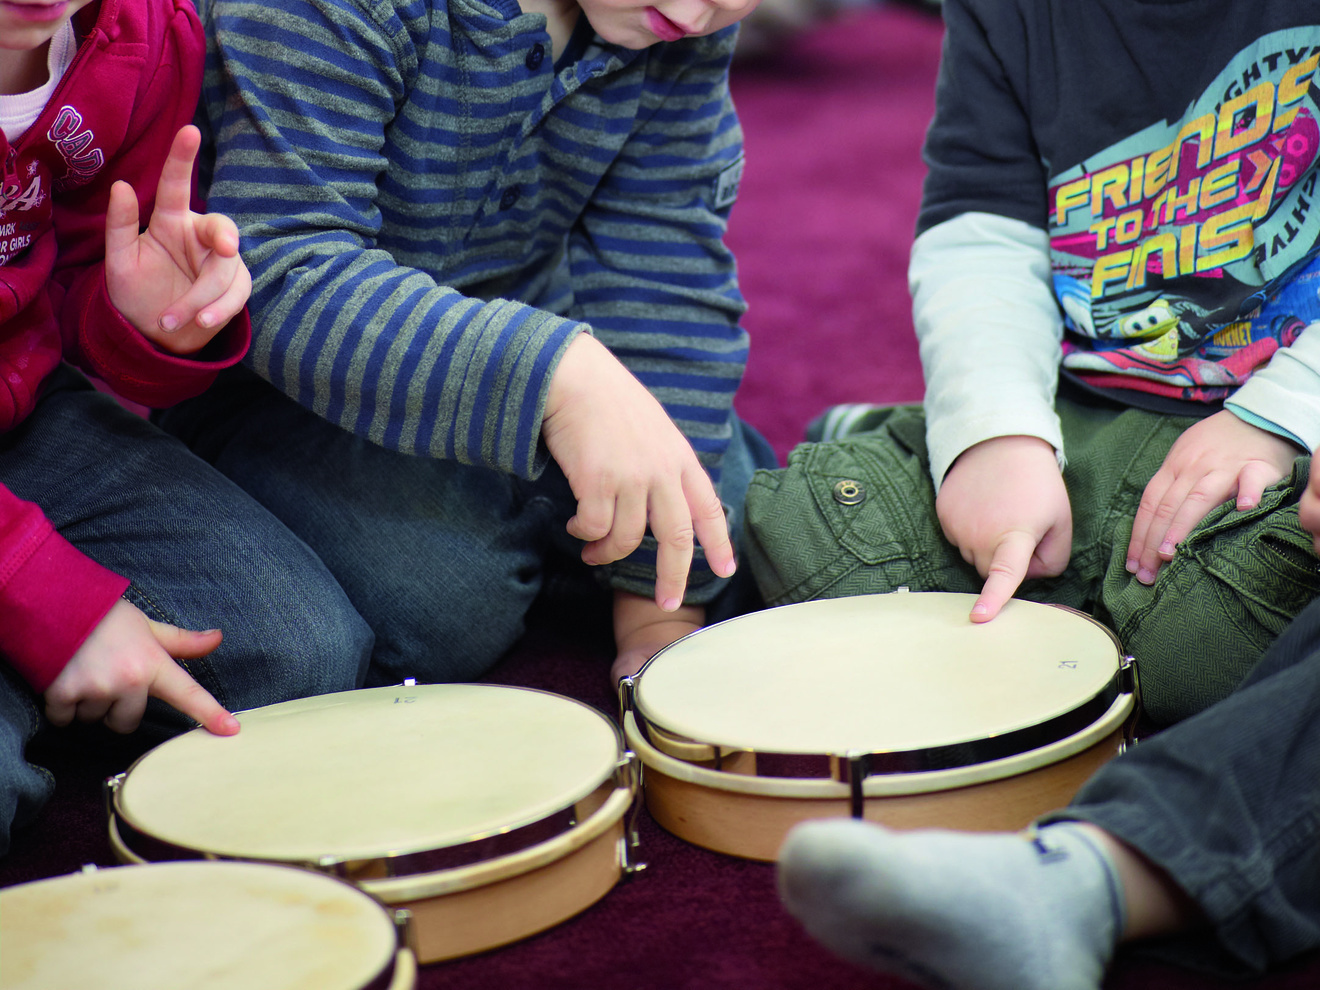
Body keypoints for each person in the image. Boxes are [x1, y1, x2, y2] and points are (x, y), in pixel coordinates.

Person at [159, 0, 777, 689]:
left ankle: (553, 531)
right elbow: (283, 276)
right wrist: (557, 380)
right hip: (293, 388)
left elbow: (664, 275)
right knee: (442, 605)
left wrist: (659, 611)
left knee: (738, 519)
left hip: (536, 349)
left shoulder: (674, 23)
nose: (701, 10)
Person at [743, 0, 1320, 725]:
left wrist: (1278, 417)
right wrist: (994, 434)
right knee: (803, 533)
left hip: (1279, 447)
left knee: (1204, 659)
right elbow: (982, 228)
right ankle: (939, 435)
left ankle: (907, 433)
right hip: (1073, 407)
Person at [0, 0, 373, 857]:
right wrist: (48, 599)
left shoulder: (148, 34)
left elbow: (80, 270)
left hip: (29, 411)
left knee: (307, 659)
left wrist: (147, 322)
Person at [775, 446, 1320, 990]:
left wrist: (1273, 423)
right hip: (1108, 434)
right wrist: (996, 439)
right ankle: (884, 434)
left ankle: (1080, 881)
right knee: (810, 515)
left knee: (1195, 641)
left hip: (1256, 473)